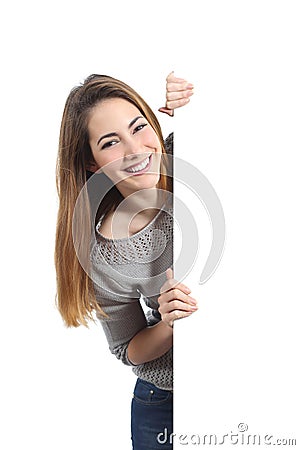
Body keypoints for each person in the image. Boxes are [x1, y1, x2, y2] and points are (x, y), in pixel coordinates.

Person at [55, 71, 197, 449]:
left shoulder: (194, 154)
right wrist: (167, 323)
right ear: (91, 163)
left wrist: (197, 95)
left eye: (139, 127)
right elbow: (127, 348)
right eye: (111, 143)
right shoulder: (101, 252)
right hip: (163, 401)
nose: (135, 150)